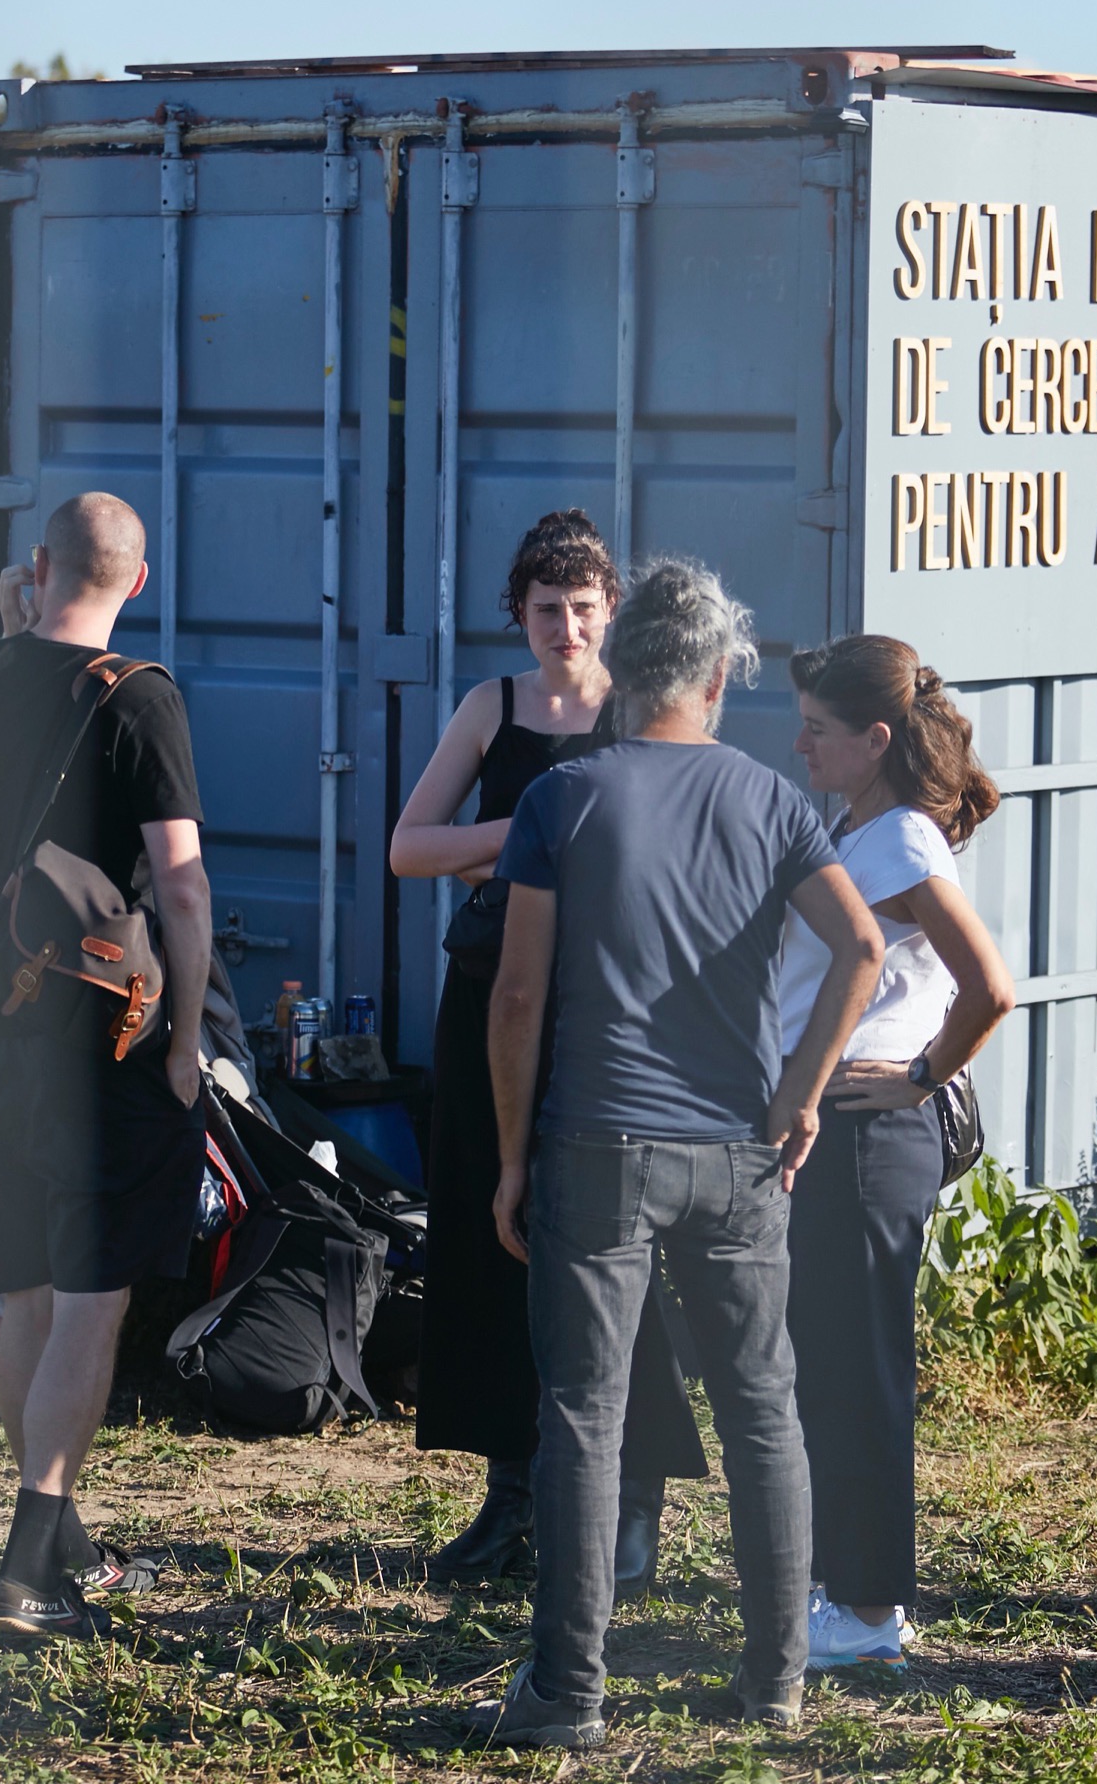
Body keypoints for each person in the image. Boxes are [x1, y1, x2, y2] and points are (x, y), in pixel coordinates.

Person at [477, 558, 885, 1749]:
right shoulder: (774, 801)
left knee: (583, 1414)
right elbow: (862, 948)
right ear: (716, 679)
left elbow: (518, 993)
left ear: (619, 671)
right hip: (736, 1148)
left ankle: (569, 1691)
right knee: (762, 1407)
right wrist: (800, 1096)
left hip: (597, 1141)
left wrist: (511, 1157)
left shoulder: (565, 796)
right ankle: (776, 1680)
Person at [389, 508, 707, 1589]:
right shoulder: (492, 706)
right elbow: (410, 847)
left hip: (605, 1001)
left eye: (581, 608)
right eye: (544, 610)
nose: (564, 629)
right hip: (490, 994)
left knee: (616, 1247)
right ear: (516, 614)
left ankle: (634, 1501)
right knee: (489, 1241)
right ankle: (511, 1496)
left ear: (612, 610)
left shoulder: (639, 707)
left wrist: (523, 843)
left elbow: (668, 841)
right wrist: (529, 834)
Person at [0, 492, 211, 1644]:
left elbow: (7, 686)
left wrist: (19, 609)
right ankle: (29, 1572)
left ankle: (65, 1542)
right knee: (92, 1309)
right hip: (106, 1047)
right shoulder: (140, 697)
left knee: (27, 1305)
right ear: (138, 580)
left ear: (38, 564)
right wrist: (186, 1040)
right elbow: (180, 883)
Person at [781, 636, 1015, 1668]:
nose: (800, 745)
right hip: (839, 1131)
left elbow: (991, 988)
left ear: (875, 738)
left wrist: (923, 1073)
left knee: (860, 1370)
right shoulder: (860, 825)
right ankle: (840, 1587)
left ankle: (870, 1611)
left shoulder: (906, 841)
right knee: (826, 1364)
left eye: (817, 730)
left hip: (872, 1136)